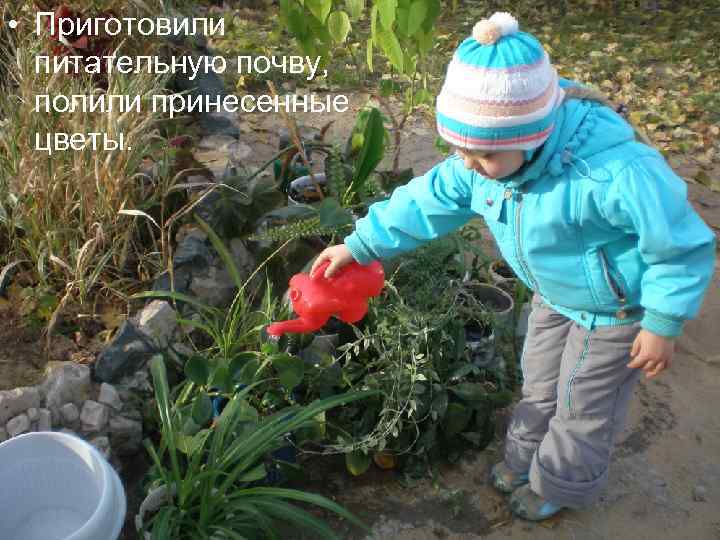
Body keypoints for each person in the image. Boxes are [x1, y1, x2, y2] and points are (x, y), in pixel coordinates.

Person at [309, 12, 716, 520]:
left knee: (583, 404)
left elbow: (679, 244)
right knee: (540, 382)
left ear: (534, 133)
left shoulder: (614, 174)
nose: (468, 163)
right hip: (554, 295)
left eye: (482, 154)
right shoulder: (479, 161)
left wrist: (661, 321)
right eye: (458, 148)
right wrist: (360, 244)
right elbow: (425, 200)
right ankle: (524, 459)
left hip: (615, 311)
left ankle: (558, 483)